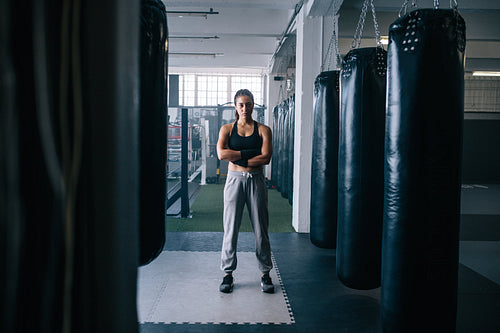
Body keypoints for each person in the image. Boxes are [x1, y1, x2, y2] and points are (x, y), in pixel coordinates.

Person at [216, 89, 274, 294]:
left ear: (253, 105)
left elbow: (266, 157)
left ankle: (265, 273)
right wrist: (248, 154)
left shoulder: (263, 130)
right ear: (235, 106)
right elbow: (222, 154)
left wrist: (238, 158)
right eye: (241, 104)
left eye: (248, 104)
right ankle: (228, 274)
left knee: (261, 229)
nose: (245, 108)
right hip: (234, 181)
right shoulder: (226, 129)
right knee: (230, 228)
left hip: (256, 180)